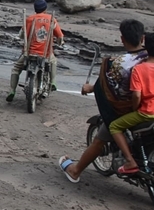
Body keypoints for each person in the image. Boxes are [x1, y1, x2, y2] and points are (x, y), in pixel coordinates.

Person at [58, 19, 146, 183]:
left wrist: (91, 88)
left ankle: (75, 171)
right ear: (143, 38)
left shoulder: (117, 63)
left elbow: (105, 86)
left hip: (129, 110)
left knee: (101, 137)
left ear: (122, 39)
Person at [107, 32, 154, 175]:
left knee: (114, 126)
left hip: (148, 113)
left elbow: (137, 95)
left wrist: (135, 108)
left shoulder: (138, 69)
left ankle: (130, 161)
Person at [7, 0, 63, 103]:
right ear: (45, 8)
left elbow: (21, 35)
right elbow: (59, 36)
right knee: (53, 61)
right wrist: (60, 42)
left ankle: (12, 90)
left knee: (16, 68)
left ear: (35, 9)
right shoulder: (51, 19)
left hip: (29, 53)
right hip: (45, 54)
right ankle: (53, 82)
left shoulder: (29, 19)